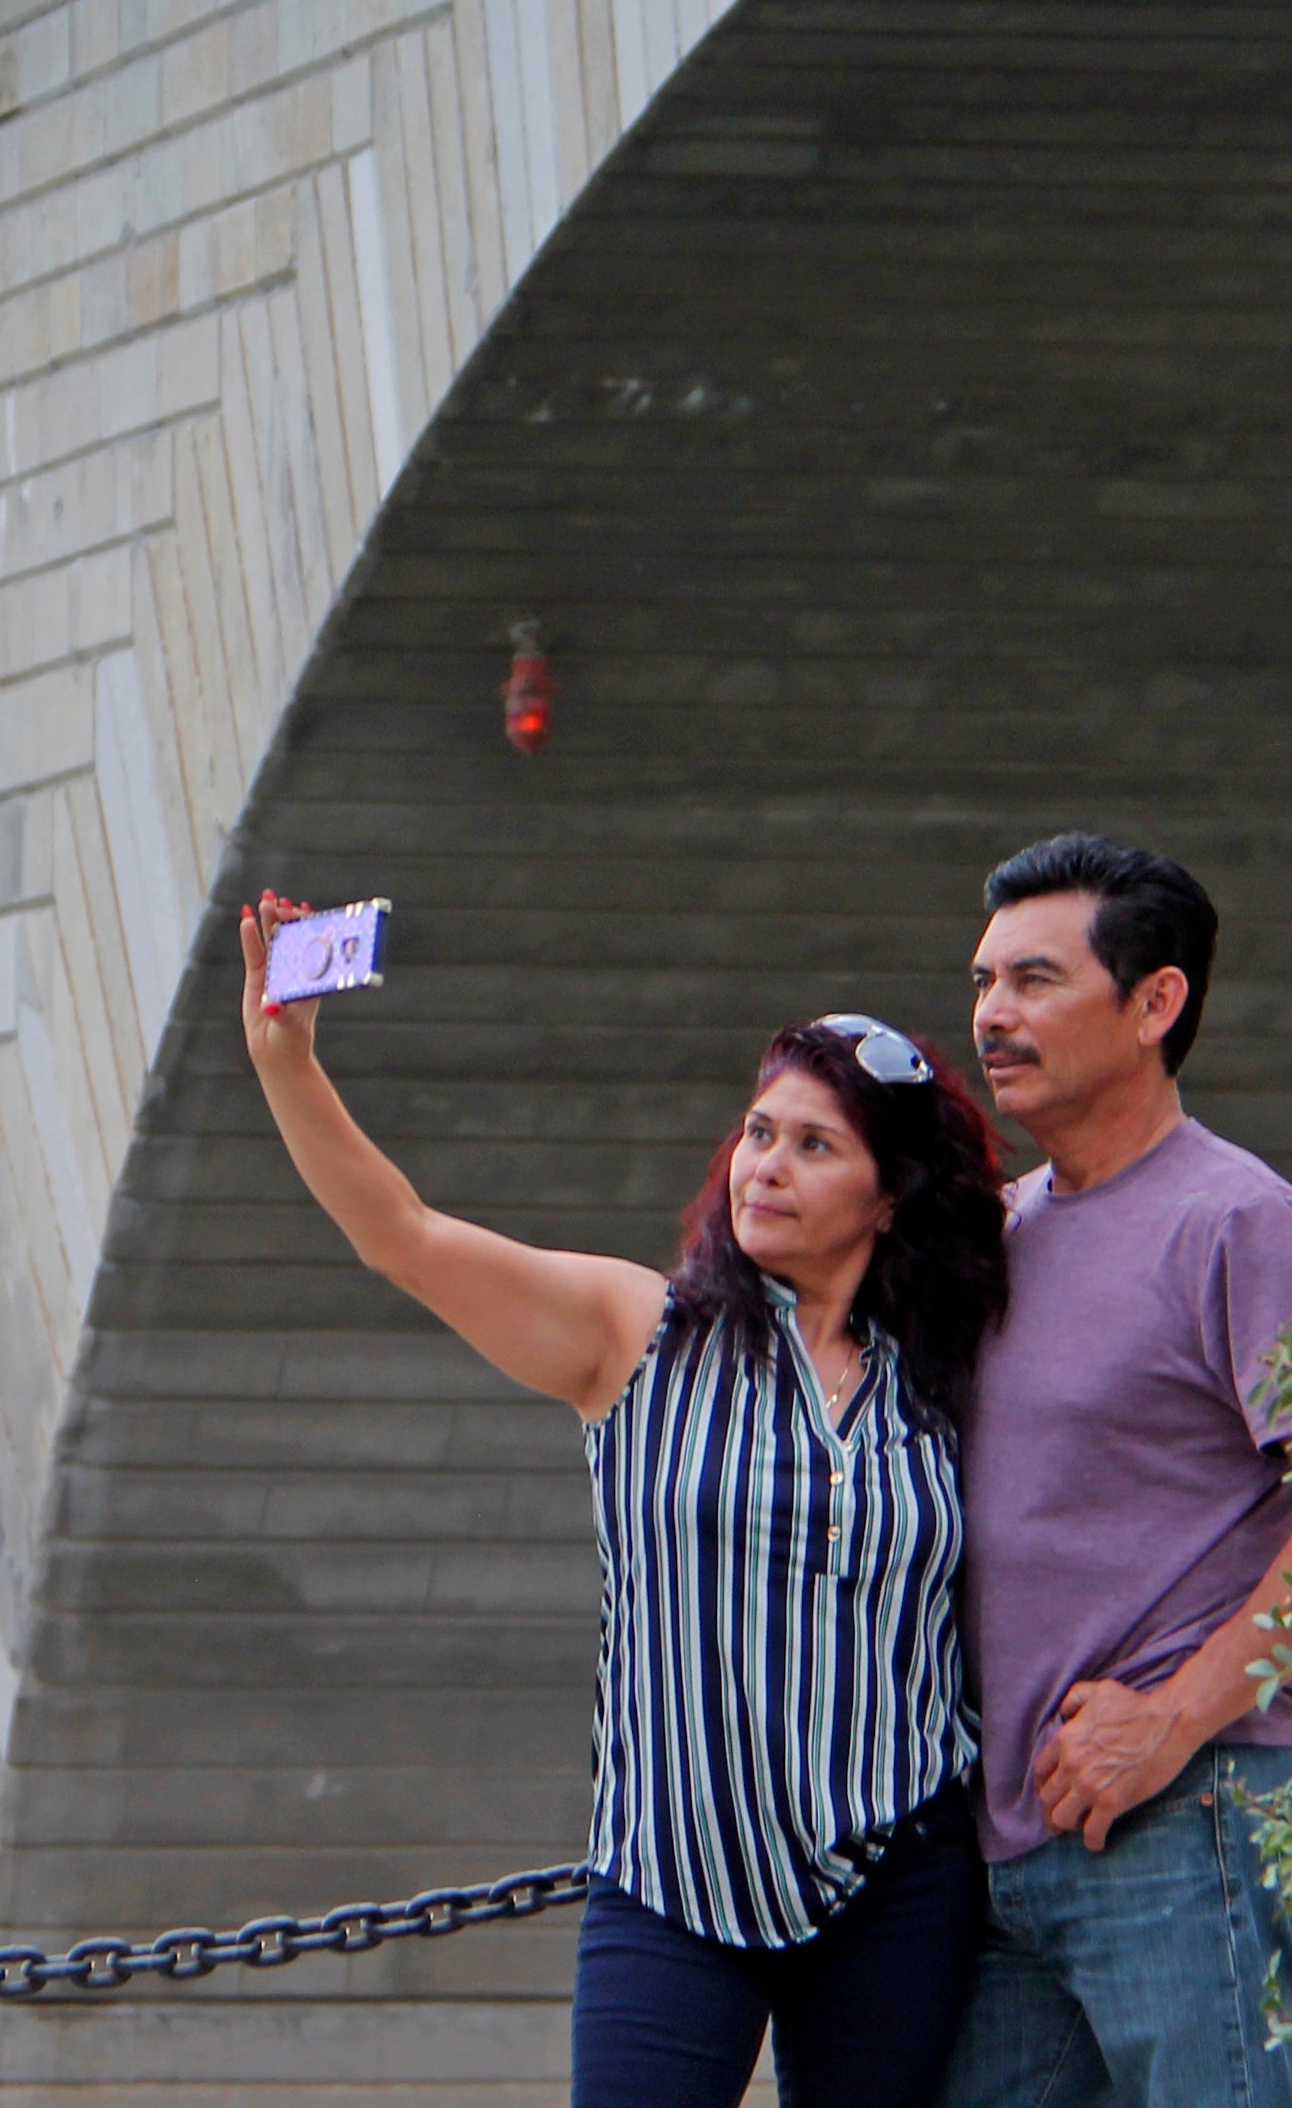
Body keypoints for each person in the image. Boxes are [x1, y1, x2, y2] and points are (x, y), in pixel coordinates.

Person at [237, 893, 1011, 2108]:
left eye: (817, 1144)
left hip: (898, 1880)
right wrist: (287, 1059)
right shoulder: (636, 1332)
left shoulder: (947, 1376)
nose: (769, 1164)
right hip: (672, 1875)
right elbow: (404, 1233)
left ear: (890, 1194)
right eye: (761, 1130)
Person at [943, 835, 1292, 2108]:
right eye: (982, 982)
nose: (992, 1015)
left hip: (1189, 1817)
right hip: (1006, 1844)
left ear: (1155, 1002)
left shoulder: (1242, 1222)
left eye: (1033, 979)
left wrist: (1175, 1716)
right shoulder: (998, 1231)